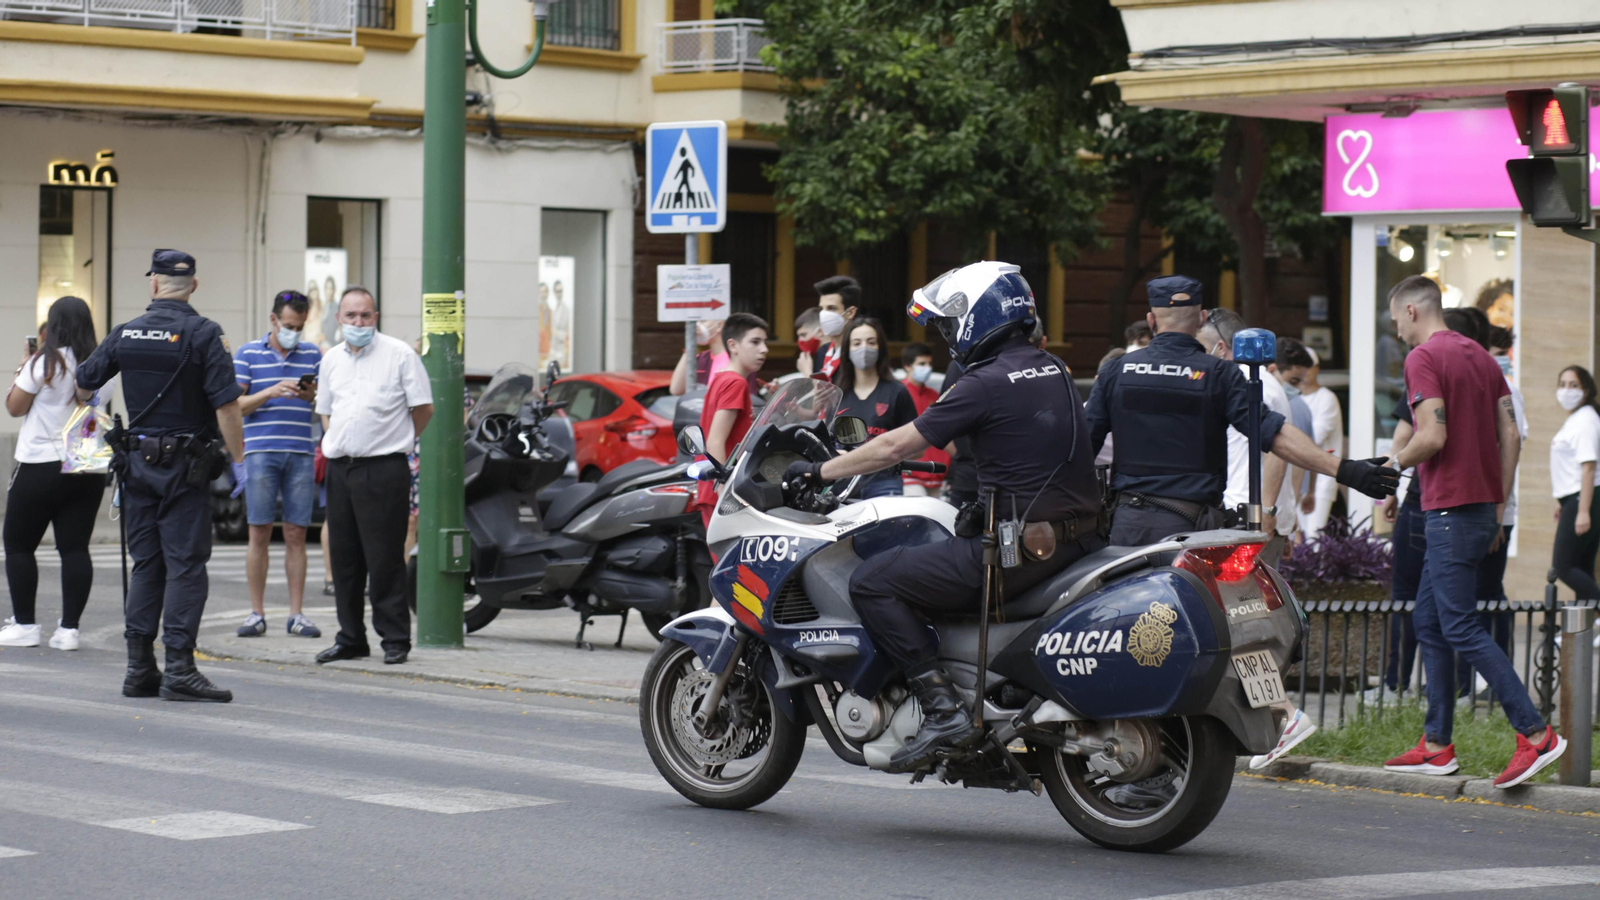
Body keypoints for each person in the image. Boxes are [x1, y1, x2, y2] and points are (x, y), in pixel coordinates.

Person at [787, 261, 1106, 773]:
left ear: (978, 317)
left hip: (1016, 554)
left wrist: (819, 470)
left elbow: (894, 444)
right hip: (1073, 540)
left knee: (873, 581)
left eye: (950, 322)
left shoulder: (985, 382)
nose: (948, 334)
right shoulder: (1053, 369)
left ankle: (942, 711)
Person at [1380, 275, 1564, 788]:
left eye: (1397, 322)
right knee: (1431, 620)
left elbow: (1431, 435)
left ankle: (1535, 734)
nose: (1398, 332)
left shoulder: (1424, 359)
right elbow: (1511, 432)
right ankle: (1437, 744)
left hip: (1447, 510)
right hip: (1482, 506)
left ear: (1413, 311)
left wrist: (1389, 466)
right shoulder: (1483, 357)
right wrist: (1498, 501)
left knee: (1458, 625)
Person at [1087, 279, 1388, 548]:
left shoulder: (1115, 372)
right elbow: (1275, 435)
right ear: (1202, 318)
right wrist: (1347, 470)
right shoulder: (1220, 374)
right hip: (1192, 531)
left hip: (1128, 528)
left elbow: (1082, 447)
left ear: (1151, 320)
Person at [76, 249, 246, 702]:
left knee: (147, 565)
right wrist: (240, 459)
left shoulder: (126, 332)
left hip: (136, 468)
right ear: (193, 285)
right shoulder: (205, 333)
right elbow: (226, 405)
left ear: (154, 284)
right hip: (185, 470)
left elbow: (85, 382)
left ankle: (138, 669)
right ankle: (180, 669)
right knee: (186, 566)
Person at [314, 287, 434, 666]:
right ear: (339, 319)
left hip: (384, 468)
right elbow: (326, 410)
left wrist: (396, 440)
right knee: (345, 558)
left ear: (376, 317)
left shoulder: (400, 355)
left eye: (365, 316)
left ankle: (395, 639)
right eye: (351, 316)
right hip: (340, 468)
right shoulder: (331, 359)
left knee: (384, 558)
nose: (358, 323)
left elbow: (424, 409)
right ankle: (350, 638)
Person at [0, 297, 107, 651]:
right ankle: (69, 631)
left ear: (54, 324)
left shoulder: (44, 362)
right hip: (86, 464)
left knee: (18, 545)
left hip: (40, 464)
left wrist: (22, 367)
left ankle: (26, 626)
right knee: (75, 548)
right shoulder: (102, 365)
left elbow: (14, 408)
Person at [233, 290, 323, 640]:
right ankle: (256, 612)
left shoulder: (313, 354)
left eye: (299, 327)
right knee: (258, 531)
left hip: (301, 451)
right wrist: (270, 391)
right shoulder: (248, 353)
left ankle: (296, 614)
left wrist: (309, 395)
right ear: (273, 320)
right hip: (260, 451)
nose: (294, 332)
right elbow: (235, 406)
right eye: (288, 325)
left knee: (297, 533)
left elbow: (322, 400)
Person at [1200, 310, 1299, 542]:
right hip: (1256, 515)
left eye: (1203, 350)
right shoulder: (1264, 380)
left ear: (1221, 348)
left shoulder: (1245, 381)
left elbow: (1276, 450)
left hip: (1249, 517)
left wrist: (1265, 511)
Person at [695, 313, 769, 528]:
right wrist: (723, 492)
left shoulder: (721, 377)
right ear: (733, 346)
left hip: (714, 489)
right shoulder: (735, 383)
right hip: (723, 494)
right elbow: (715, 441)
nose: (764, 349)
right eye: (755, 342)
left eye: (765, 342)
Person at [832, 317, 917, 499]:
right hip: (842, 483)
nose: (864, 348)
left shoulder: (897, 392)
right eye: (857, 343)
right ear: (847, 350)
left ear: (881, 348)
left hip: (884, 482)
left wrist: (889, 454)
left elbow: (918, 448)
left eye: (871, 342)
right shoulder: (837, 395)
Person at [1278, 340, 1344, 540]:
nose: (1304, 373)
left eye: (1307, 367)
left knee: (1313, 539)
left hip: (1320, 480)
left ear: (1316, 369)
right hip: (1293, 481)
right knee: (1293, 537)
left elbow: (1309, 440)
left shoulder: (1326, 398)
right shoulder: (1292, 399)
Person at [1550, 365, 1600, 601]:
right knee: (1582, 566)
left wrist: (1582, 511)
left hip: (1585, 498)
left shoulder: (1585, 421)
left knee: (1563, 566)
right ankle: (1582, 634)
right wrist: (1563, 500)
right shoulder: (1578, 419)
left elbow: (1589, 467)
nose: (1566, 391)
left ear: (1587, 389)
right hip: (1576, 497)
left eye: (1573, 385)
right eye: (1562, 385)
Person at [898, 341, 947, 497]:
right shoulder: (898, 392)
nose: (927, 368)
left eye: (929, 363)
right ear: (907, 366)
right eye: (921, 363)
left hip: (936, 473)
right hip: (910, 473)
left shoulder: (934, 395)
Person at [812, 276, 860, 381]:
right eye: (822, 309)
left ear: (850, 312)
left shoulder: (859, 352)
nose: (824, 314)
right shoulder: (823, 352)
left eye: (831, 308)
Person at [794, 307, 822, 377]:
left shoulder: (833, 357)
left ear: (820, 332)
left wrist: (806, 372)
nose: (800, 340)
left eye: (803, 335)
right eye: (798, 336)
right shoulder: (813, 359)